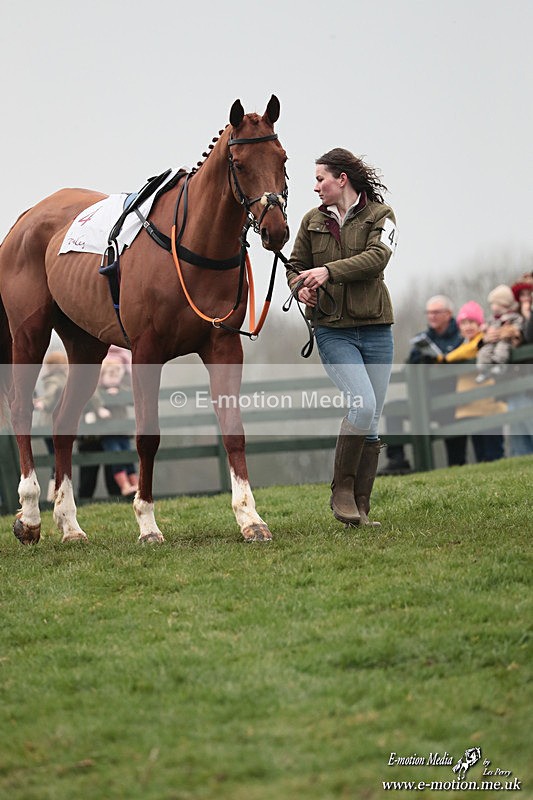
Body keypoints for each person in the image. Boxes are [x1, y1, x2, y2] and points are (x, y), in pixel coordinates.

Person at [285, 147, 397, 527]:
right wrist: (301, 288)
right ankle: (342, 493)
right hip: (333, 331)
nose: (315, 187)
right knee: (362, 406)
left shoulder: (381, 216)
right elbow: (296, 267)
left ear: (341, 179)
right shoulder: (310, 221)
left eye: (320, 179)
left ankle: (360, 510)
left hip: (377, 328)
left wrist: (328, 272)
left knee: (374, 418)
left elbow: (378, 257)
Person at [379, 295, 464, 474]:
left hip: (454, 402)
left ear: (448, 314)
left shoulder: (460, 337)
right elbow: (409, 367)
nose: (431, 316)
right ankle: (397, 460)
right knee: (392, 408)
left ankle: (457, 469)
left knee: (456, 450)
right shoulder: (422, 338)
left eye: (436, 312)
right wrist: (420, 359)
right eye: (429, 312)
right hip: (423, 400)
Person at [437, 301, 506, 463]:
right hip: (469, 408)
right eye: (464, 323)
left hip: (488, 405)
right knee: (480, 453)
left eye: (472, 322)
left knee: (493, 452)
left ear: (480, 324)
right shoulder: (462, 344)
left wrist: (446, 358)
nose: (468, 327)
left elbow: (469, 351)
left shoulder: (482, 340)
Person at [98, 350, 139, 496]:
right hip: (108, 430)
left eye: (116, 375)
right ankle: (124, 485)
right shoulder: (99, 390)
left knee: (127, 455)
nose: (114, 378)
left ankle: (136, 484)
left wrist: (119, 392)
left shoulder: (122, 388)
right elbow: (94, 400)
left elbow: (131, 397)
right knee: (115, 455)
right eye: (110, 374)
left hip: (123, 429)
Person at [33, 351, 68, 501]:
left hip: (50, 425)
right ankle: (58, 494)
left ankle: (53, 496)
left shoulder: (53, 380)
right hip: (64, 424)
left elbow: (51, 394)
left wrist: (43, 403)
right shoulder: (67, 379)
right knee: (59, 460)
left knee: (55, 461)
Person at [476, 284, 523, 382]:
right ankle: (484, 370)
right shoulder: (492, 318)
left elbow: (518, 327)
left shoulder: (512, 316)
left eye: (495, 304)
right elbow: (486, 327)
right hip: (492, 341)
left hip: (504, 341)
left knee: (502, 348)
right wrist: (485, 330)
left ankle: (499, 365)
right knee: (484, 351)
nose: (492, 307)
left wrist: (509, 331)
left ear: (503, 304)